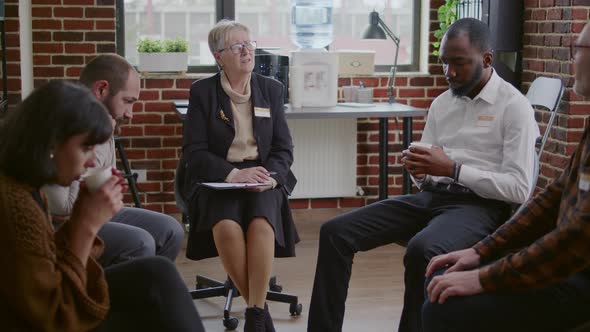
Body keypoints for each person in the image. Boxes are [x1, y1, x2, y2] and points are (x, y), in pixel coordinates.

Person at [307, 18, 540, 332]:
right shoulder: (443, 103)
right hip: (433, 196)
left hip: (481, 207)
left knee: (422, 249)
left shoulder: (515, 108)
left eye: (459, 63)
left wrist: (453, 169)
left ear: (486, 60)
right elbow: (430, 170)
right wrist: (420, 171)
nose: (450, 73)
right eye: (444, 63)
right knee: (335, 232)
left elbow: (519, 189)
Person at [421, 23, 590, 332]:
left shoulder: (513, 105)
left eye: (578, 50)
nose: (572, 60)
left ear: (486, 60)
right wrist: (481, 251)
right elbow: (552, 197)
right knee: (442, 279)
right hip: (567, 262)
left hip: (580, 279)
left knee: (443, 305)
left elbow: (576, 241)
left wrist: (484, 276)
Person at [0, 80, 204, 332]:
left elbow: (51, 261)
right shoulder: (14, 205)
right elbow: (52, 317)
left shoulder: (27, 188)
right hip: (51, 318)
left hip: (58, 304)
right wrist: (85, 225)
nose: (91, 161)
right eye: (85, 148)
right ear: (51, 142)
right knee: (153, 292)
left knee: (157, 273)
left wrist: (81, 218)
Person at [180, 19, 298, 332]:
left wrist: (269, 178)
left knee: (261, 225)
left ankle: (254, 316)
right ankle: (260, 314)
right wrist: (234, 174)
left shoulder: (271, 90)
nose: (247, 51)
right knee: (228, 228)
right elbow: (194, 152)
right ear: (219, 56)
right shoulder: (202, 92)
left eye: (249, 43)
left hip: (263, 178)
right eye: (237, 46)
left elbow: (284, 149)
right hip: (220, 179)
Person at [43, 54, 185, 267]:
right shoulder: (63, 123)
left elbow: (102, 184)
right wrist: (97, 139)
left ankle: (145, 296)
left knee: (170, 229)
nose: (130, 115)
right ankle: (117, 296)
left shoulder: (103, 122)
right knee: (140, 242)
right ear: (101, 90)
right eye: (128, 102)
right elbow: (65, 209)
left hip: (92, 208)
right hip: (60, 221)